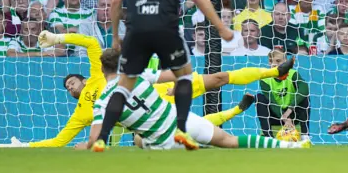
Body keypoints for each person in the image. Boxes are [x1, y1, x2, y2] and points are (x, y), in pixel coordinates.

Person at [1, 30, 294, 148]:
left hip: (168, 88)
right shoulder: (86, 111)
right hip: (155, 117)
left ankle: (273, 72)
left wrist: (57, 37)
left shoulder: (100, 75)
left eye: (71, 82)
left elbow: (91, 43)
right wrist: (25, 146)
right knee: (155, 137)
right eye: (67, 88)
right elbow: (59, 141)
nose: (71, 87)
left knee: (218, 78)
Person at [92, 0, 234, 152]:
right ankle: (180, 130)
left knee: (124, 85)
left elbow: (116, 1)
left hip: (137, 30)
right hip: (166, 27)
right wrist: (220, 27)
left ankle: (101, 138)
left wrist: (116, 36)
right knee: (185, 77)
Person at [77, 49, 310, 151]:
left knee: (219, 78)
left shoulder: (106, 99)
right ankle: (291, 145)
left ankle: (274, 71)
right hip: (169, 111)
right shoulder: (135, 76)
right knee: (223, 139)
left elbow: (95, 139)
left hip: (175, 95)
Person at [257, 48, 310, 140]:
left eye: (279, 61)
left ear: (285, 61)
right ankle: (268, 137)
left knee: (305, 98)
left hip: (293, 114)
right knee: (259, 98)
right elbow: (272, 102)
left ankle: (305, 135)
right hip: (276, 114)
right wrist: (285, 117)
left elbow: (304, 89)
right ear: (270, 63)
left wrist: (289, 111)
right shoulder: (265, 79)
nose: (276, 64)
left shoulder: (293, 74)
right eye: (273, 61)